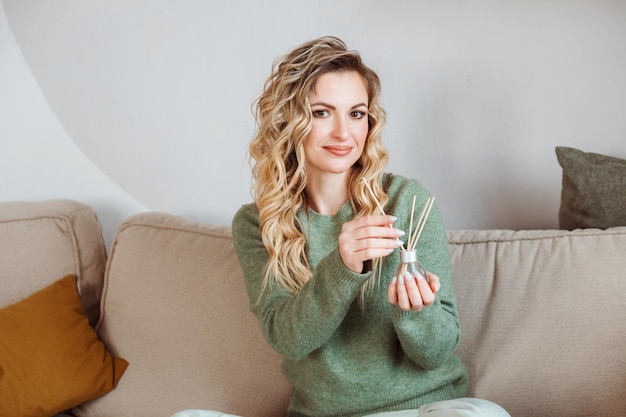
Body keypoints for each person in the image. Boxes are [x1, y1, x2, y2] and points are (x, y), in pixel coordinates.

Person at [228, 36, 510, 417]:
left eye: (356, 113)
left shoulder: (408, 202)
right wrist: (342, 268)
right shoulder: (258, 223)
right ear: (289, 121)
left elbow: (437, 353)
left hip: (424, 410)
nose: (344, 134)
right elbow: (288, 340)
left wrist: (416, 313)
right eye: (322, 113)